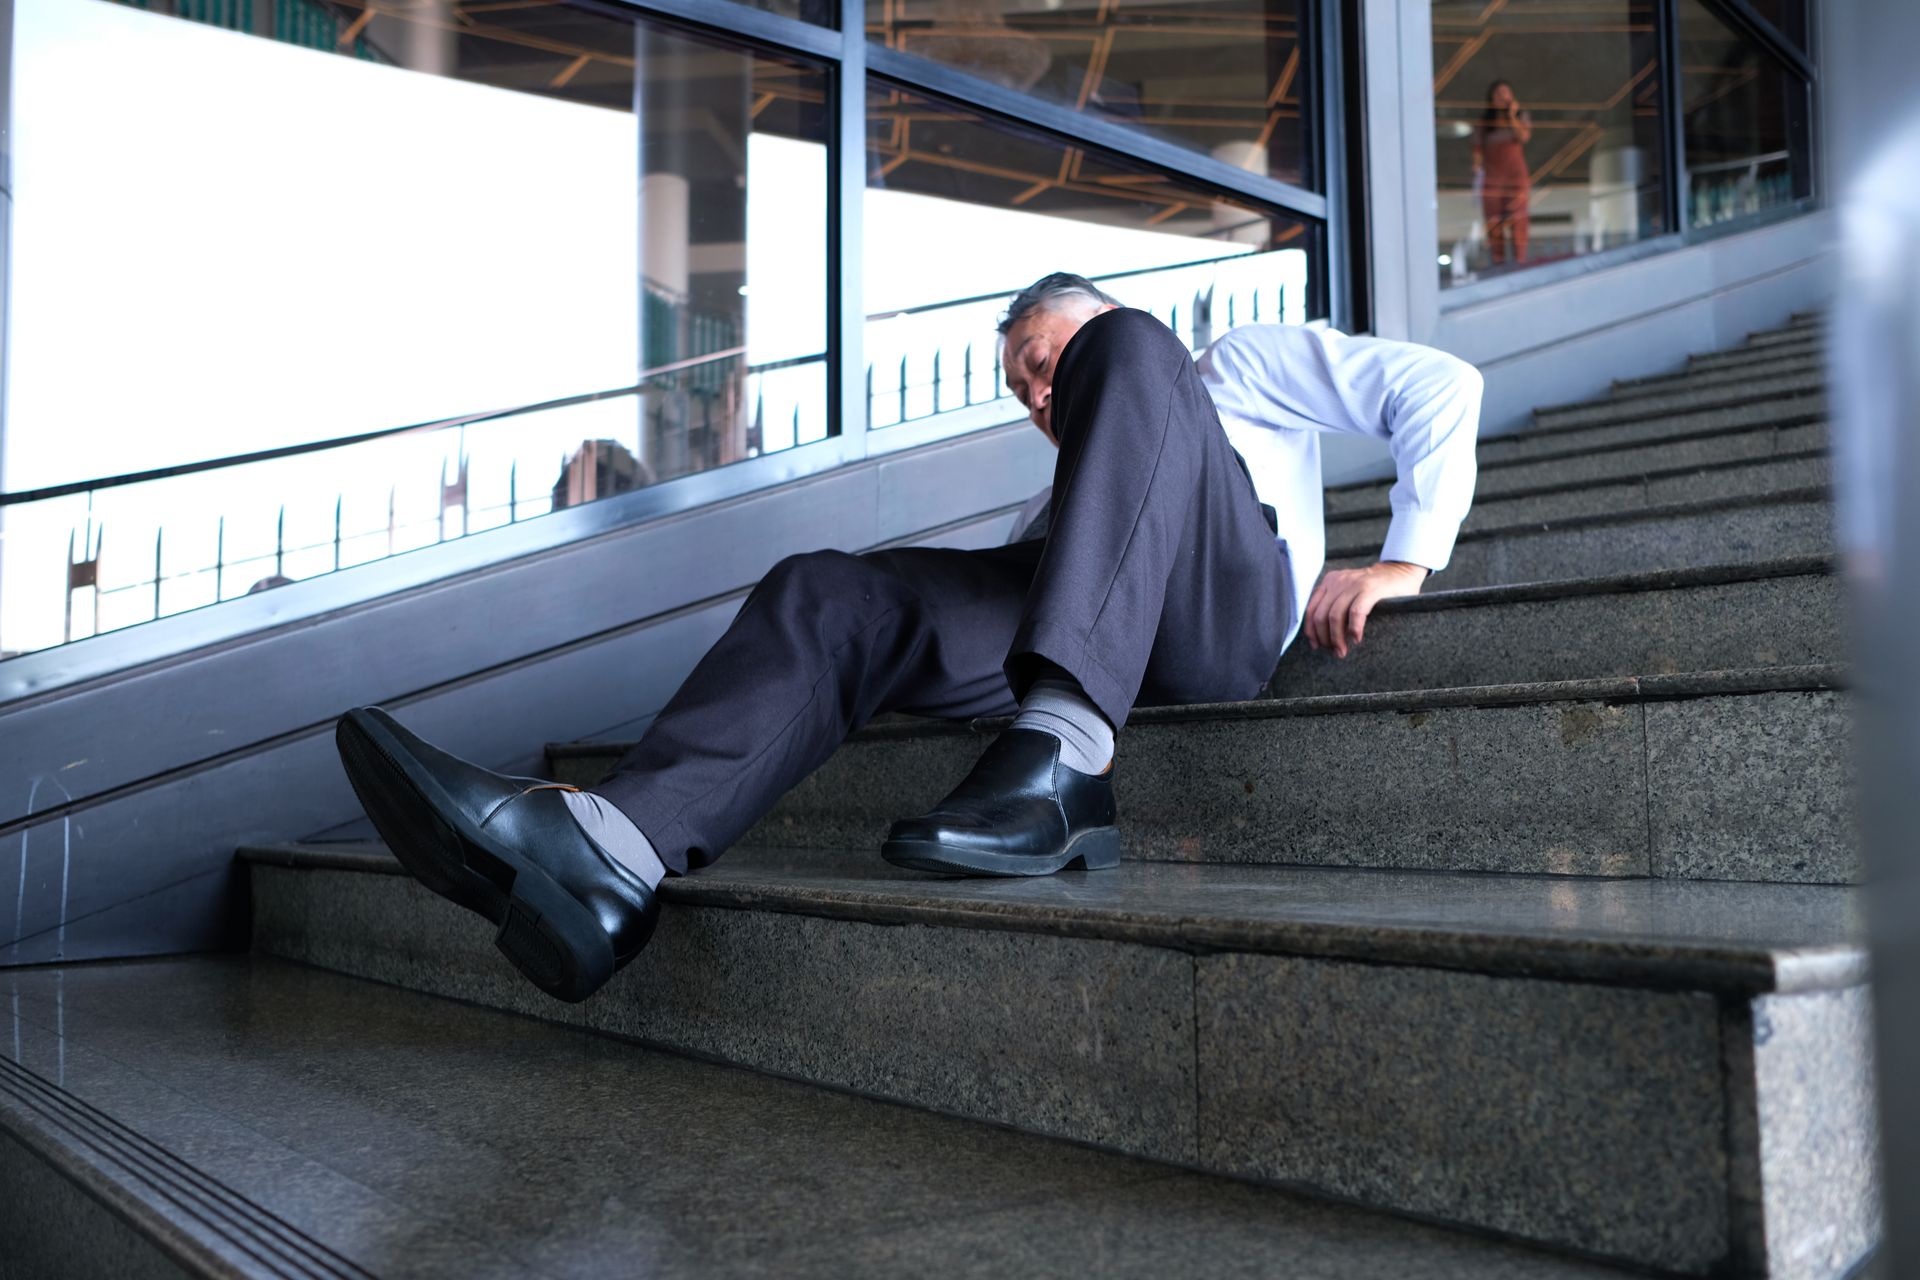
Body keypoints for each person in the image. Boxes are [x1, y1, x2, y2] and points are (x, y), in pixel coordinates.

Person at [333, 272, 1482, 1002]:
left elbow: (1440, 387)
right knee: (833, 591)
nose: (1040, 394)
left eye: (1045, 361)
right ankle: (607, 857)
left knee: (1133, 356)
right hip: (1104, 615)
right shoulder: (1058, 519)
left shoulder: (1221, 364)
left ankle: (1064, 762)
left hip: (1225, 618)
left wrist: (1402, 555)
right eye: (1025, 386)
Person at [1474, 80, 1533, 266]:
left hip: (1516, 177)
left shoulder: (1520, 116)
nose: (1502, 97)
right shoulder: (1484, 123)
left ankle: (1519, 262)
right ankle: (1498, 264)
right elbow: (1476, 150)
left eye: (1506, 93)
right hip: (1492, 178)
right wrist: (1476, 171)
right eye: (1498, 94)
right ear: (1491, 99)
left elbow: (1522, 137)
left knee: (1518, 221)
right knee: (1494, 224)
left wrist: (1511, 115)